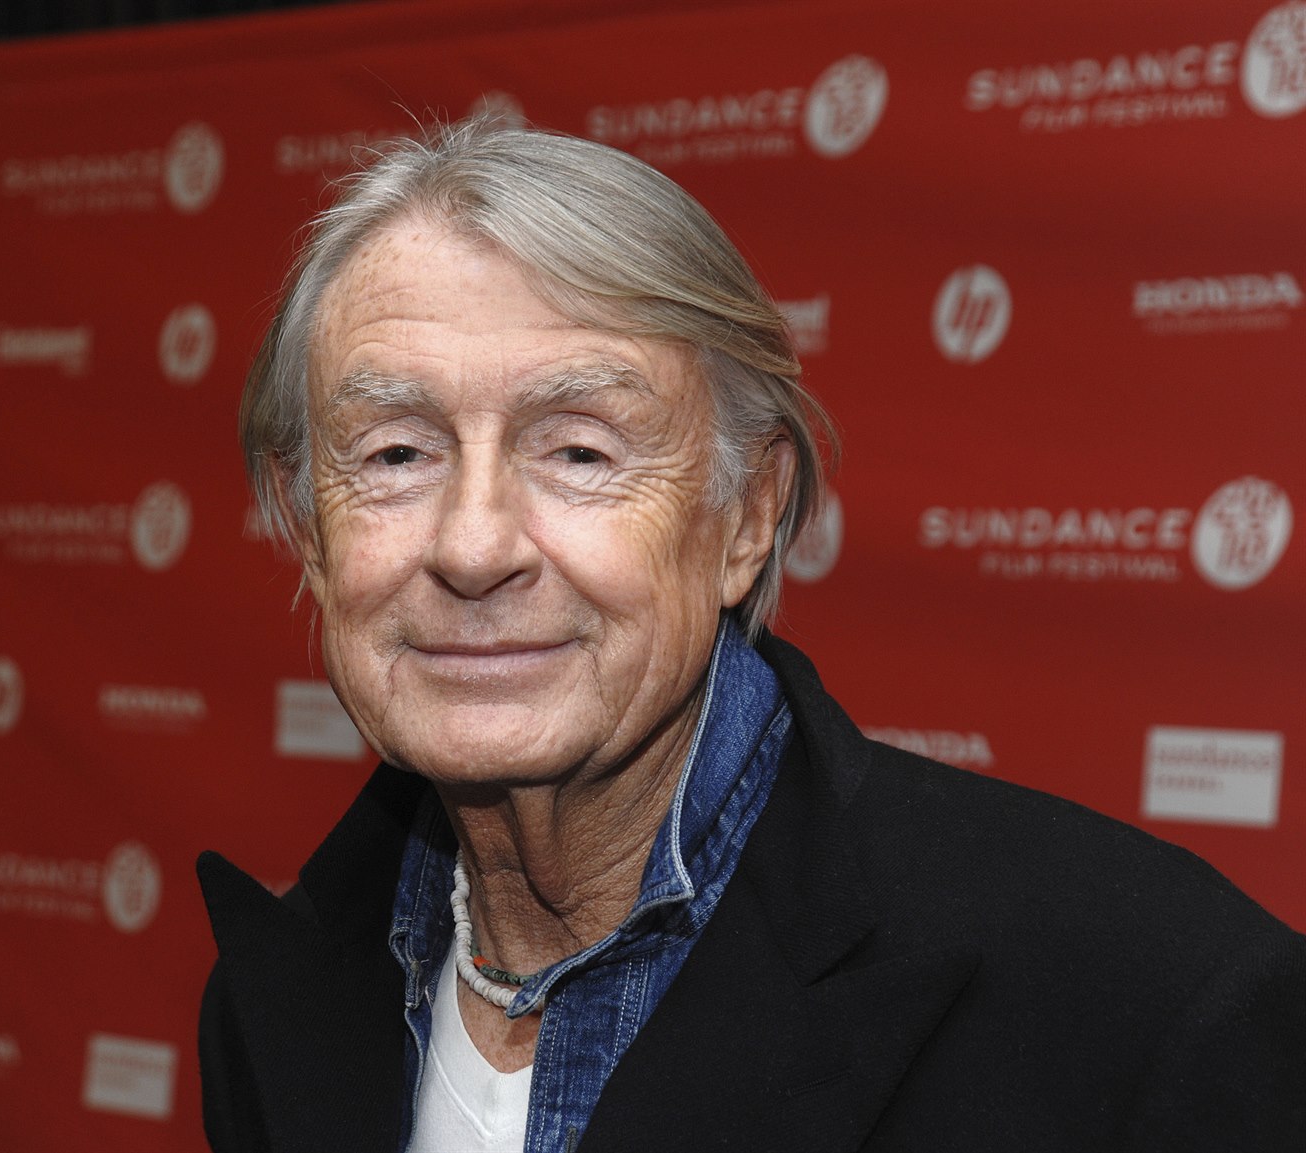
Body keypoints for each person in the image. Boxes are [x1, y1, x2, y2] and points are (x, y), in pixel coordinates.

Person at [197, 118, 1304, 1153]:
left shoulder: (1149, 1009)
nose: (474, 544)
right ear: (310, 529)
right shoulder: (276, 1001)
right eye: (395, 454)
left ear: (749, 514)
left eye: (580, 451)